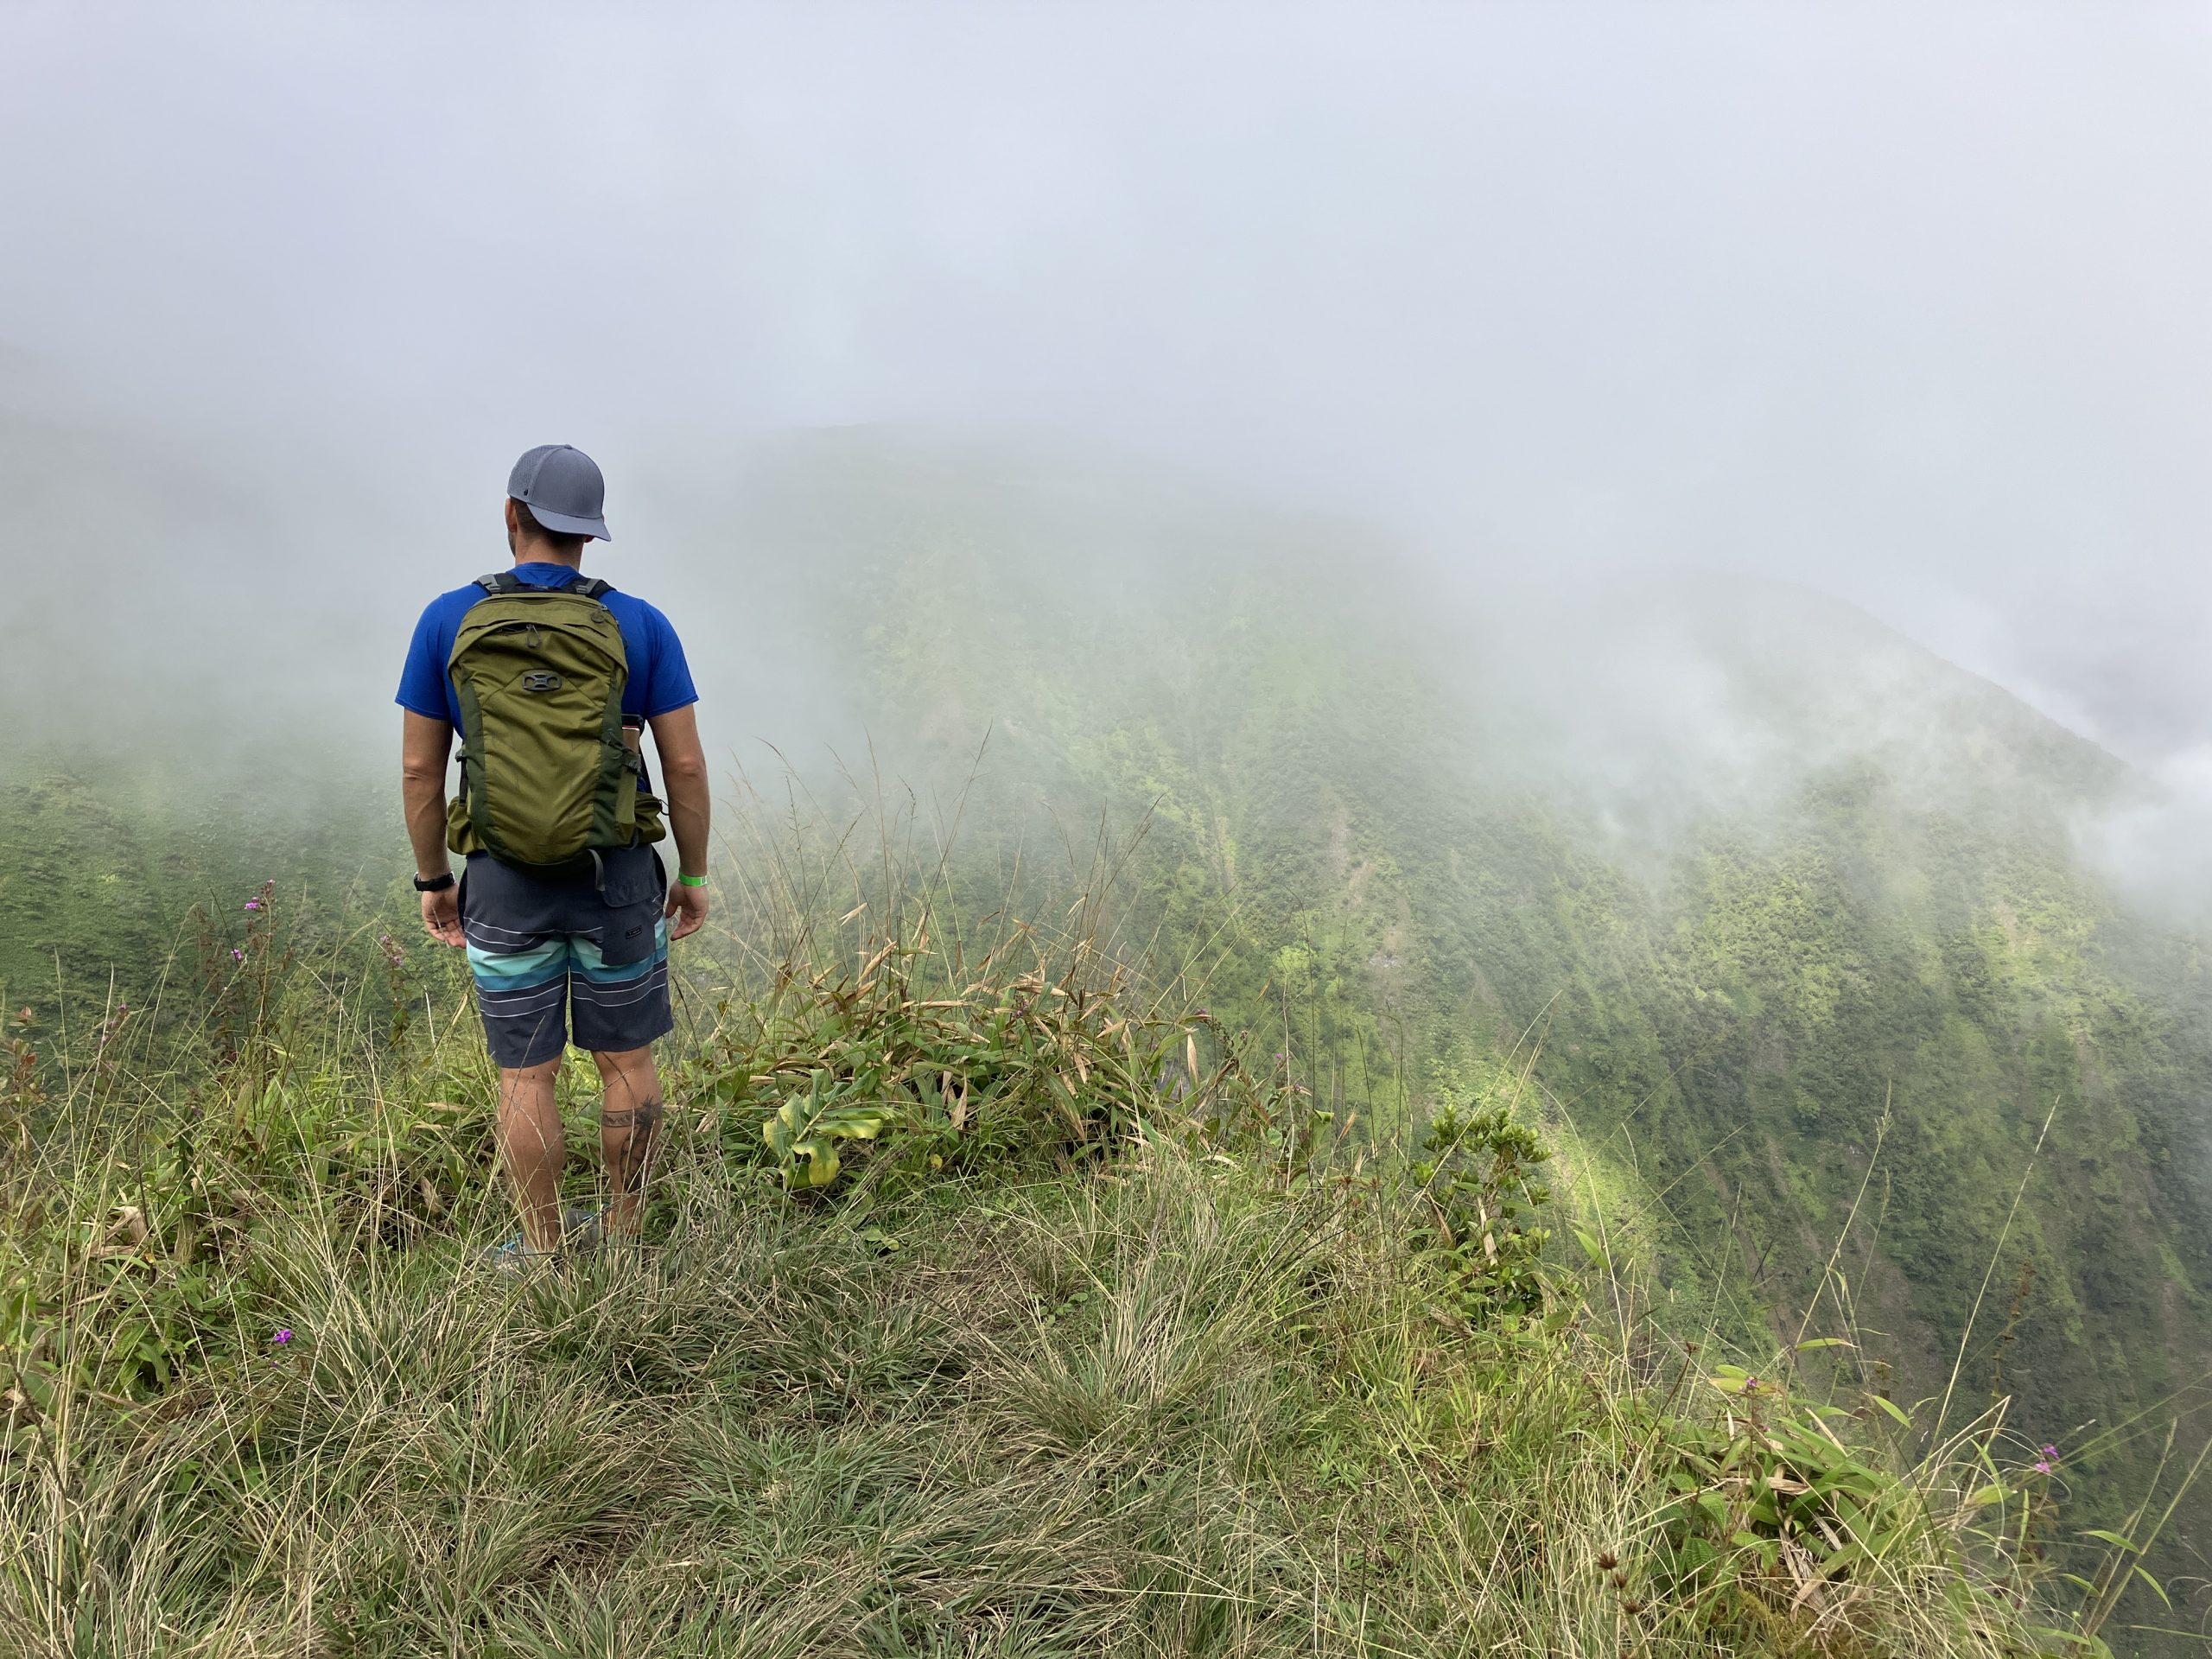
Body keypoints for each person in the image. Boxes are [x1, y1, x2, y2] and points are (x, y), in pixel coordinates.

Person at [396, 443, 710, 1260]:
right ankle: (625, 1234)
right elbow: (682, 764)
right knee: (625, 1063)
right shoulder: (638, 624)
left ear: (512, 514)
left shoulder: (446, 620)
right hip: (617, 883)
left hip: (502, 883)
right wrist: (696, 873)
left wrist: (436, 877)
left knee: (526, 1076)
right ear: (590, 537)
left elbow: (421, 769)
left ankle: (542, 1251)